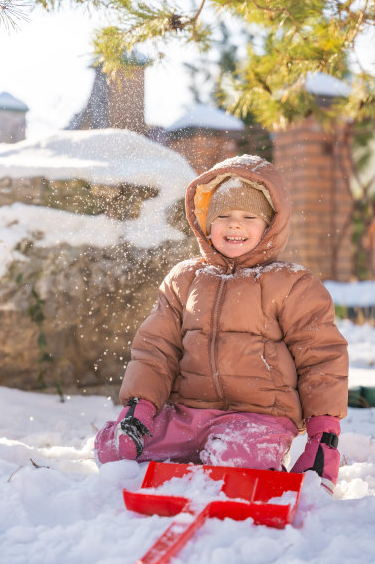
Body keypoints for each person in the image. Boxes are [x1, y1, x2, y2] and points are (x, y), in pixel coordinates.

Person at [95, 155, 348, 494]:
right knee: (117, 450)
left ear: (272, 224)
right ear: (205, 223)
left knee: (233, 460)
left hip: (259, 418)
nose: (234, 225)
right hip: (188, 413)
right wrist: (141, 408)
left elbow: (322, 359)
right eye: (223, 216)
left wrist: (323, 437)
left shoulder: (291, 285)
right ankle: (190, 461)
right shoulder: (184, 279)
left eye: (249, 217)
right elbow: (156, 349)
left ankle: (227, 464)